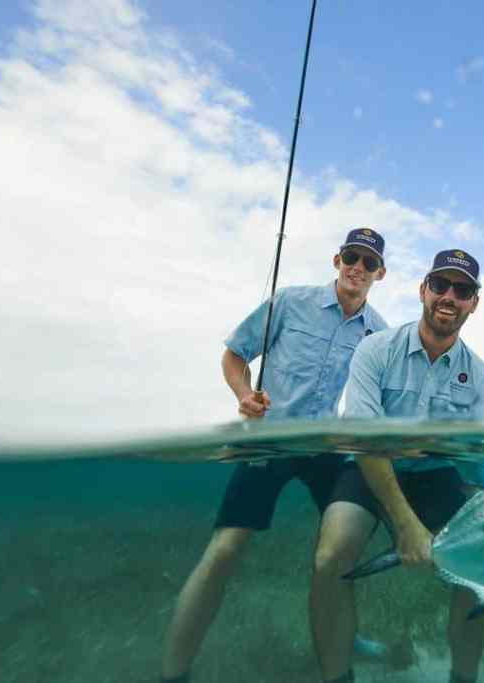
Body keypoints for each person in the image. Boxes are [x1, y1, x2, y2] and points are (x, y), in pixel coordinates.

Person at [160, 228, 389, 683]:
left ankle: (344, 638)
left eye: (368, 263)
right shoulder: (289, 301)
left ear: (380, 273)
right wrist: (245, 396)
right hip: (270, 440)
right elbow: (233, 356)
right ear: (337, 259)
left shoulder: (379, 333)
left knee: (342, 549)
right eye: (351, 256)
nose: (357, 268)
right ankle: (173, 672)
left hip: (325, 448)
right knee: (225, 550)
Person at [310, 249, 484, 683]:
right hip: (368, 467)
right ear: (423, 290)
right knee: (331, 556)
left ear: (474, 303)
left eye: (462, 290)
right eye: (440, 285)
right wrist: (406, 524)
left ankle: (462, 677)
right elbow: (364, 439)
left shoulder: (479, 377)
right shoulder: (375, 348)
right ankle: (336, 677)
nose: (449, 296)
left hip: (437, 475)